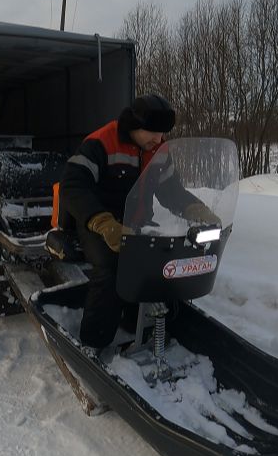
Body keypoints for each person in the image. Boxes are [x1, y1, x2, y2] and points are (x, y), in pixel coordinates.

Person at [59, 94, 219, 351]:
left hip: (137, 223)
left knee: (162, 261)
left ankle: (143, 322)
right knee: (112, 270)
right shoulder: (101, 143)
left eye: (162, 133)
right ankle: (93, 342)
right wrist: (103, 222)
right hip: (99, 222)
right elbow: (71, 186)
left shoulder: (158, 151)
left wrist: (197, 209)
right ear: (134, 126)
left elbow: (171, 191)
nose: (158, 139)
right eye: (153, 132)